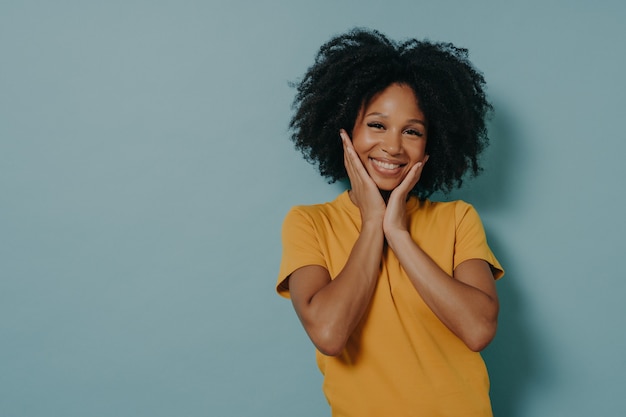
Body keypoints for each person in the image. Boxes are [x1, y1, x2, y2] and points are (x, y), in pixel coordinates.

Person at [276, 28, 504, 417]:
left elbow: (478, 329)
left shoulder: (458, 218)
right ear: (344, 131)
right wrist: (372, 224)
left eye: (412, 131)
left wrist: (397, 233)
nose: (394, 146)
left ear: (431, 144)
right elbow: (329, 334)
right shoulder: (309, 223)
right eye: (377, 125)